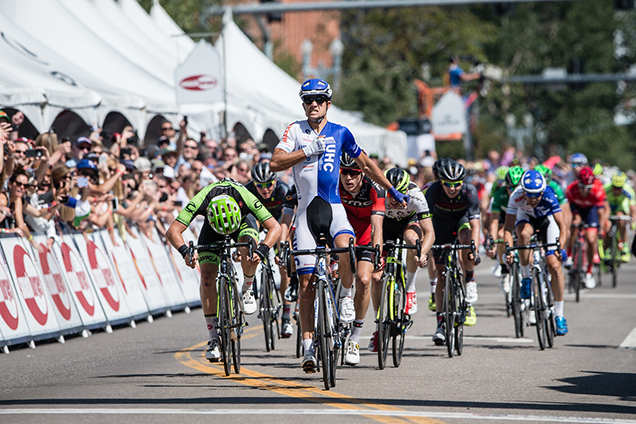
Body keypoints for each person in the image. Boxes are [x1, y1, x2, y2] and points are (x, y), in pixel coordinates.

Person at [269, 78, 408, 373]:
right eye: (308, 100)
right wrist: (307, 152)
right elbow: (275, 163)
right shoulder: (295, 130)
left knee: (345, 246)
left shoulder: (341, 132)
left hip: (333, 208)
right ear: (303, 104)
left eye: (319, 99)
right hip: (306, 212)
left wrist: (391, 190)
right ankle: (308, 348)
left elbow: (367, 164)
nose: (313, 104)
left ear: (328, 104)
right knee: (305, 285)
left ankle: (345, 295)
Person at [166, 178, 281, 362]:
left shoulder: (244, 195)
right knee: (206, 278)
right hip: (212, 229)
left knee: (248, 248)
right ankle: (213, 339)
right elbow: (173, 231)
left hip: (242, 223)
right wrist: (185, 252)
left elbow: (274, 227)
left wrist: (263, 249)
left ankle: (248, 287)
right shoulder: (202, 197)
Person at [368, 167, 434, 352]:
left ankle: (410, 290)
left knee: (413, 242)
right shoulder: (379, 193)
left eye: (399, 195)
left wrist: (422, 252)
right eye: (391, 196)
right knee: (375, 277)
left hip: (408, 224)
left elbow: (430, 232)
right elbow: (375, 229)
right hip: (385, 226)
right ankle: (378, 326)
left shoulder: (416, 195)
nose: (394, 200)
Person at [503, 170, 568, 335]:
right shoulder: (516, 196)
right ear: (523, 191)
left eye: (537, 195)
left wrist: (560, 248)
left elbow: (563, 227)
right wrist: (509, 249)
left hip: (547, 221)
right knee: (523, 234)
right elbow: (508, 229)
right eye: (529, 194)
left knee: (554, 266)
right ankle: (526, 278)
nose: (533, 198)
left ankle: (559, 315)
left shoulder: (549, 194)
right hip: (526, 219)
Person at [425, 159, 481, 346]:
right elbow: (426, 223)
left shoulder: (469, 191)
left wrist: (474, 249)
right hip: (439, 227)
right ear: (441, 181)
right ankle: (441, 324)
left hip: (461, 222)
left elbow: (475, 225)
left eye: (457, 183)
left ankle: (470, 279)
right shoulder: (433, 192)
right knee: (441, 276)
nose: (452, 188)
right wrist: (425, 248)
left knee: (466, 237)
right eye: (448, 183)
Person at [338, 153, 386, 365]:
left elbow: (377, 225)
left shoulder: (375, 187)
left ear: (362, 174)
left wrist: (377, 250)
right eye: (344, 173)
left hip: (366, 231)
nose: (348, 178)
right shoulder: (334, 185)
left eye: (354, 173)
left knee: (365, 280)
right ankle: (339, 301)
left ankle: (355, 339)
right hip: (342, 229)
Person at [245, 161, 295, 339]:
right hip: (258, 221)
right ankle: (251, 286)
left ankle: (287, 317)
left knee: (284, 265)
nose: (265, 189)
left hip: (279, 221)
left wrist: (282, 245)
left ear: (275, 182)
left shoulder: (283, 189)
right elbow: (247, 220)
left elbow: (286, 221)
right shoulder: (248, 190)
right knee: (249, 243)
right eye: (260, 185)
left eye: (268, 185)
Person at [565, 166, 609, 289]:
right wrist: (567, 227)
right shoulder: (571, 189)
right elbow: (566, 210)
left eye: (588, 188)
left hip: (591, 211)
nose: (585, 191)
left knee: (590, 238)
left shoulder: (598, 190)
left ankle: (589, 271)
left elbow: (601, 213)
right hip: (577, 209)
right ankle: (569, 255)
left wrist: (600, 228)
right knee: (575, 223)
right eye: (582, 188)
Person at [486, 166, 524, 293]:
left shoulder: (527, 194)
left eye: (518, 188)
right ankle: (503, 269)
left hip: (522, 217)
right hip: (505, 217)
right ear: (505, 186)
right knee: (501, 234)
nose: (514, 192)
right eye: (511, 188)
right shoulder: (499, 195)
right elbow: (494, 222)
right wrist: (492, 241)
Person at [602, 172, 636, 262]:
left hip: (620, 207)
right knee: (607, 227)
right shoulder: (605, 189)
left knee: (621, 219)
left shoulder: (628, 190)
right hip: (608, 208)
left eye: (619, 188)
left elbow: (633, 208)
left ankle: (625, 247)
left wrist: (633, 221)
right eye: (615, 187)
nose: (617, 190)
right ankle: (607, 249)